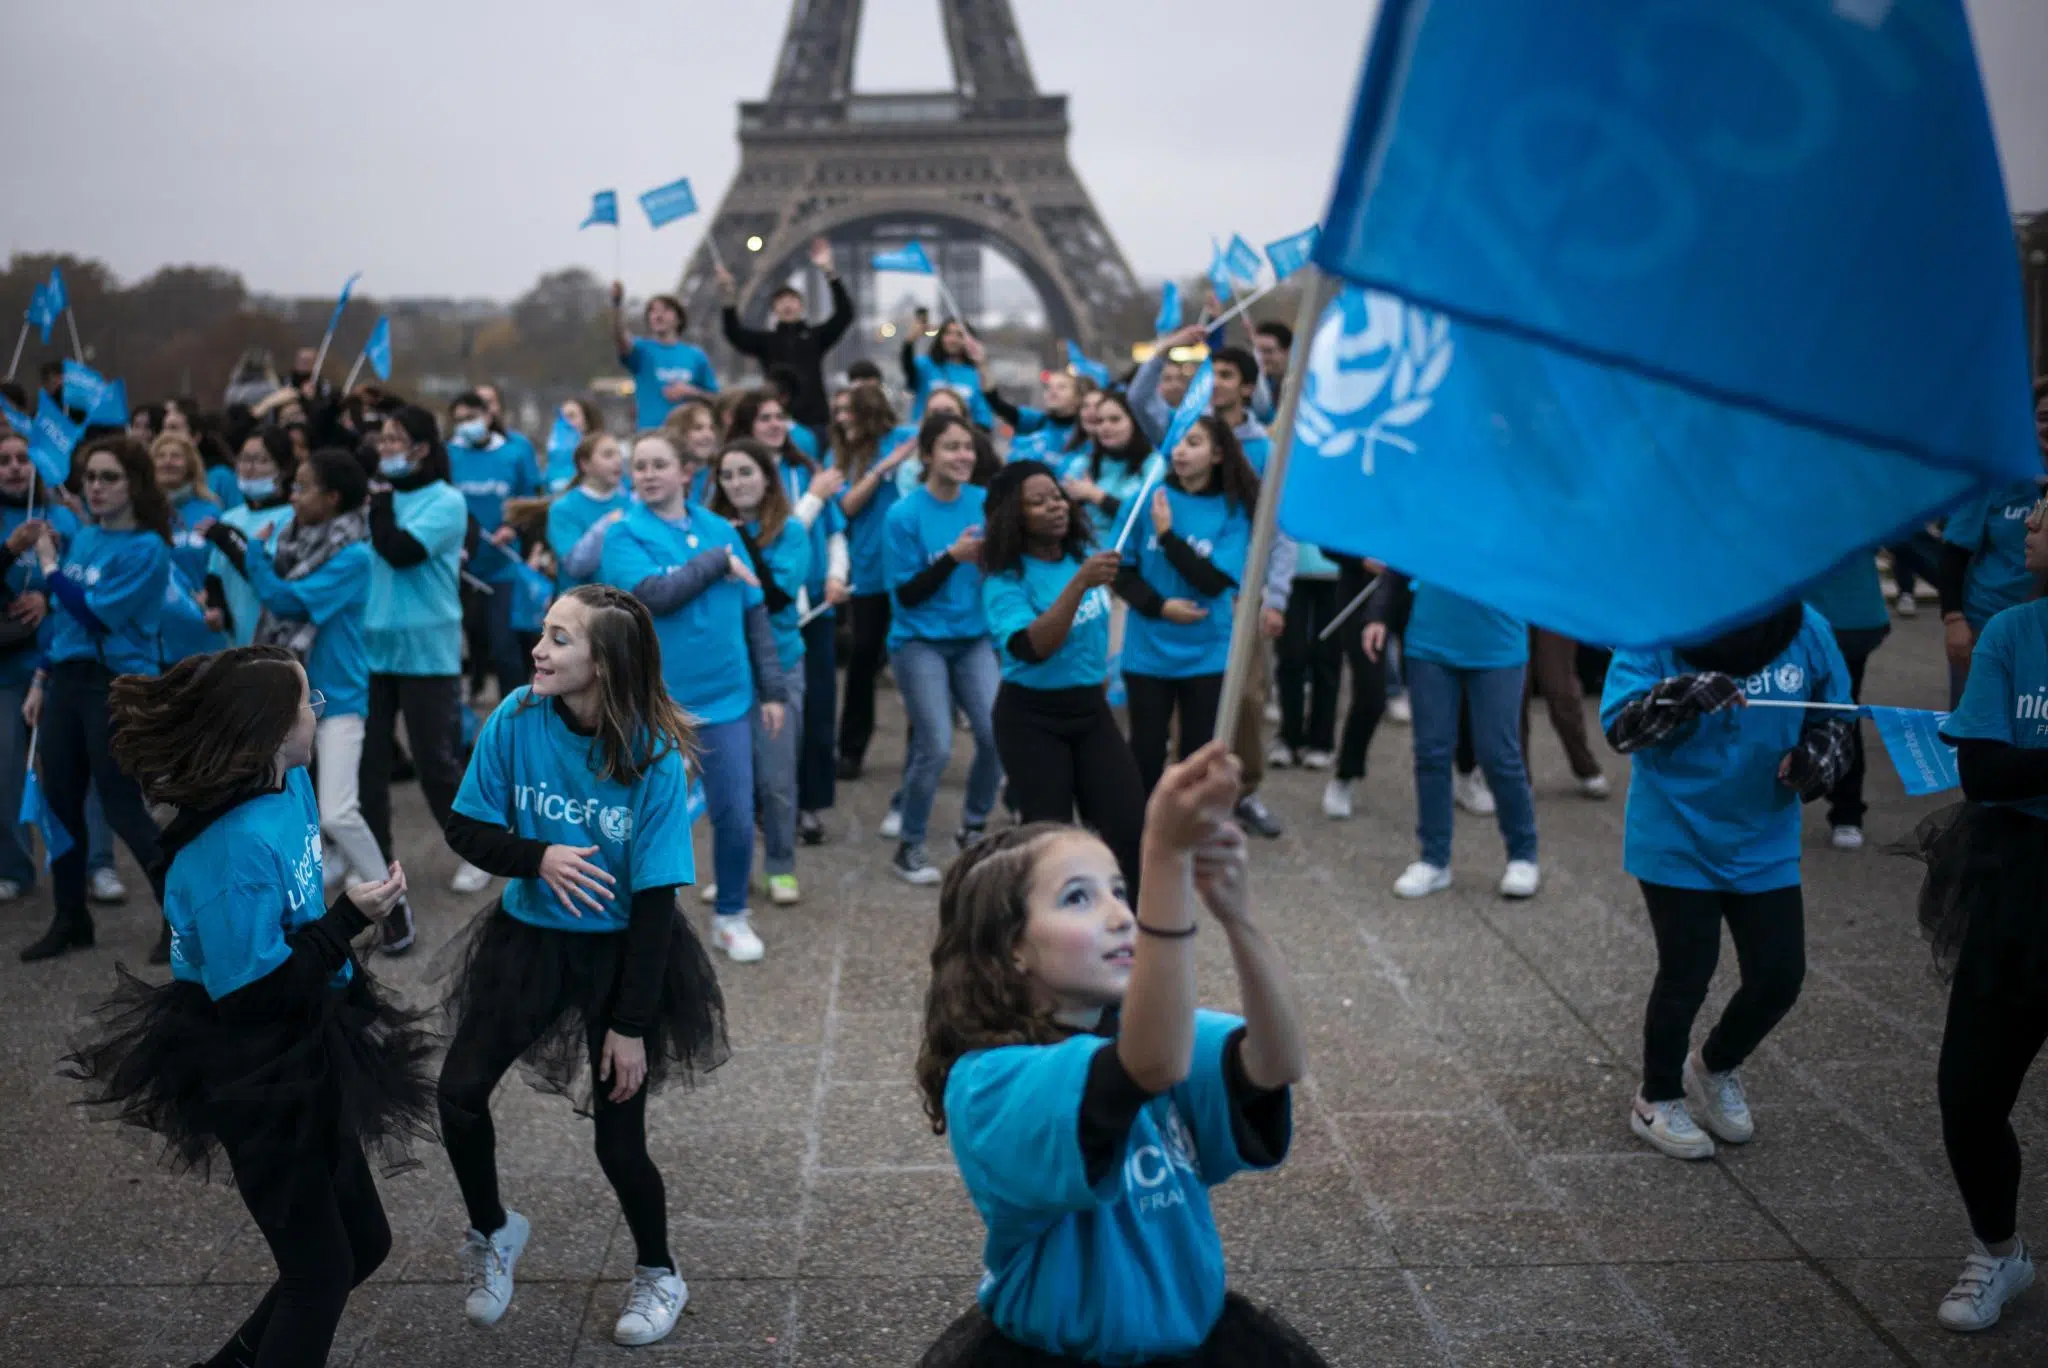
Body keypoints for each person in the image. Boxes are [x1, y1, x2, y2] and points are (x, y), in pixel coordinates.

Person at [63, 645, 433, 1368]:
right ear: (265, 730)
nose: (317, 710)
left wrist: (346, 933)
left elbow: (290, 934)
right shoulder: (230, 854)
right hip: (252, 1067)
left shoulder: (287, 785)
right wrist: (347, 922)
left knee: (364, 1243)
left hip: (305, 1038)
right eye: (305, 702)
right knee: (318, 1274)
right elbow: (253, 1000)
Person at [914, 741, 1322, 1367]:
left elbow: (1277, 1062)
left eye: (1120, 889)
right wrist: (1163, 859)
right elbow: (1151, 1065)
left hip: (1197, 1339)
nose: (1119, 915)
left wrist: (1239, 919)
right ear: (1012, 949)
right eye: (1077, 897)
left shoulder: (1146, 1030)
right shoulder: (990, 1085)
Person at [437, 585, 727, 1347]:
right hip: (528, 940)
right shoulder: (517, 716)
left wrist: (630, 1026)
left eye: (561, 639)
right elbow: (464, 826)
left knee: (618, 1142)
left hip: (621, 954)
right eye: (543, 631)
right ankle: (493, 1231)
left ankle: (659, 1271)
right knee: (459, 1093)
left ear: (605, 662)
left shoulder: (656, 756)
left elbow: (658, 902)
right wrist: (537, 856)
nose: (539, 648)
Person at [1600, 604, 1853, 1160]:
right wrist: (1684, 694)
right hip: (1676, 831)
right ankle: (1657, 1096)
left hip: (1763, 834)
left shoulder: (1807, 626)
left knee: (1780, 976)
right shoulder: (1659, 620)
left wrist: (1817, 760)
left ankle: (1714, 1066)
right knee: (1688, 969)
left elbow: (1836, 719)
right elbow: (1621, 730)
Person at [1914, 494, 2048, 1333]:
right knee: (1968, 1093)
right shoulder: (2010, 634)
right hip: (2020, 878)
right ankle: (1998, 1254)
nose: (2026, 527)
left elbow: (2014, 762)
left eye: (2041, 519)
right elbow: (1986, 773)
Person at [600, 434, 788, 963]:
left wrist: (772, 688)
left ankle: (730, 915)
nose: (648, 474)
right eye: (640, 466)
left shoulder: (720, 529)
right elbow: (654, 595)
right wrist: (715, 563)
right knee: (637, 818)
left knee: (733, 812)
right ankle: (623, 915)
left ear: (686, 472)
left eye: (660, 464)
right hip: (654, 704)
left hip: (727, 699)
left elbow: (757, 617)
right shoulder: (624, 535)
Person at [17, 435, 173, 963]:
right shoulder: (85, 537)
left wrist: (51, 568)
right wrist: (41, 681)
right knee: (59, 804)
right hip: (67, 683)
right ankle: (70, 918)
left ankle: (180, 918)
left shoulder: (149, 548)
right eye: (91, 477)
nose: (97, 487)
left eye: (110, 477)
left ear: (135, 484)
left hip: (118, 687)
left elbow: (95, 614)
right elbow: (64, 626)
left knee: (123, 807)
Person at [211, 448, 389, 901]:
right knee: (296, 808)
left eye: (302, 487)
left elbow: (287, 600)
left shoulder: (354, 556)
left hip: (340, 697)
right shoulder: (293, 540)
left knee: (338, 813)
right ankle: (327, 876)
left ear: (331, 498)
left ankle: (392, 901)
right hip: (292, 700)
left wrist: (250, 552)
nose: (292, 496)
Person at [979, 460, 1145, 895]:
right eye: (1038, 502)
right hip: (1032, 719)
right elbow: (1033, 649)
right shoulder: (1004, 581)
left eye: (1056, 496)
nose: (1055, 506)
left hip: (1090, 712)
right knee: (1053, 846)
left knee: (1129, 829)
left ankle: (1131, 932)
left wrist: (1099, 674)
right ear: (1014, 517)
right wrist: (1079, 584)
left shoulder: (1078, 555)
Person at [360, 407, 474, 949]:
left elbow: (401, 551)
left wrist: (379, 504)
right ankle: (379, 872)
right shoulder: (377, 499)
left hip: (428, 650)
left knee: (436, 764)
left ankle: (477, 849)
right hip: (374, 648)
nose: (385, 446)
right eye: (381, 437)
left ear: (423, 447)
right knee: (369, 769)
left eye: (396, 438)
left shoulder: (446, 501)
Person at [1365, 577, 1541, 900]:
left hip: (1498, 645)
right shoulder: (1431, 522)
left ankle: (1523, 855)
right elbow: (1401, 557)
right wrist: (1377, 615)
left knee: (1498, 754)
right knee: (1431, 753)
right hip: (1430, 641)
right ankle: (1434, 859)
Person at [883, 413, 1002, 885]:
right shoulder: (904, 514)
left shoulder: (984, 503)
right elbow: (907, 594)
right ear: (927, 455)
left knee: (996, 734)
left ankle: (972, 827)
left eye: (968, 448)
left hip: (973, 638)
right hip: (919, 641)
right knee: (935, 743)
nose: (963, 457)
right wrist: (952, 559)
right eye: (951, 448)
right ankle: (910, 843)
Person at [728, 389, 850, 846]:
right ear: (746, 426)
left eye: (781, 415)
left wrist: (837, 575)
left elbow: (834, 533)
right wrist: (815, 499)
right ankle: (765, 805)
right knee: (763, 723)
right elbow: (775, 540)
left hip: (814, 608)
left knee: (815, 714)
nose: (777, 424)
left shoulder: (806, 469)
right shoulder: (738, 477)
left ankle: (809, 806)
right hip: (766, 615)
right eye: (764, 418)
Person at [1115, 417, 1252, 801]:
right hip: (1148, 651)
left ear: (1218, 454)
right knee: (1144, 750)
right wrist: (1159, 606)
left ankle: (1187, 837)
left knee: (1198, 755)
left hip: (1207, 651)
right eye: (1177, 442)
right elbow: (1119, 571)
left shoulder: (1233, 510)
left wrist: (1167, 536)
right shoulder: (1145, 498)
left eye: (1193, 443)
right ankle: (1137, 834)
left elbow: (1212, 580)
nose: (1179, 450)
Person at [708, 438, 812, 906]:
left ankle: (781, 865)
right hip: (726, 670)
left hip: (780, 666)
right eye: (727, 475)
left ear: (767, 477)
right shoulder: (708, 528)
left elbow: (776, 598)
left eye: (745, 472)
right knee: (730, 781)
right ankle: (734, 869)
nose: (736, 483)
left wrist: (738, 542)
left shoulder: (790, 532)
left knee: (775, 776)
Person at [833, 384, 918, 781]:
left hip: (910, 567)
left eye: (847, 409)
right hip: (868, 571)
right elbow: (848, 505)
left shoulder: (905, 439)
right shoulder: (848, 455)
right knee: (863, 657)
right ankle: (851, 749)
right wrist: (883, 468)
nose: (840, 416)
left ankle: (920, 752)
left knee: (915, 659)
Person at [717, 237, 854, 446]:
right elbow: (734, 333)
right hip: (779, 416)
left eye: (792, 300)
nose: (787, 305)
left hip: (815, 417)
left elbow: (844, 315)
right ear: (774, 309)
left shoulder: (815, 337)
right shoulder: (765, 341)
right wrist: (728, 298)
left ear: (801, 306)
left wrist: (830, 272)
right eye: (781, 302)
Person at [449, 390, 539, 703]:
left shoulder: (513, 453)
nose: (465, 425)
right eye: (458, 420)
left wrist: (512, 528)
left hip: (502, 566)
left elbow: (531, 501)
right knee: (469, 640)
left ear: (488, 416)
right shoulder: (449, 454)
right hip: (460, 569)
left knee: (506, 646)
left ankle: (513, 712)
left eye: (470, 418)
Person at [1801, 549, 1892, 849]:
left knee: (1839, 710)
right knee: (1830, 710)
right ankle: (1847, 812)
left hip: (1842, 620)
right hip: (1833, 616)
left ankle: (1848, 810)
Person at [1940, 470, 2047, 706]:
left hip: (2038, 627)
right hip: (1986, 620)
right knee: (1976, 718)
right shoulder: (1995, 477)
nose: (2030, 522)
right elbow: (1953, 552)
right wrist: (1953, 618)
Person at [206, 428, 296, 647]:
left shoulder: (291, 516)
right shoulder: (230, 517)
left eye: (262, 461)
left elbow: (269, 575)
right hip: (235, 644)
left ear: (283, 469)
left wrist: (229, 538)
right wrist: (216, 610)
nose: (249, 469)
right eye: (244, 459)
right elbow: (215, 576)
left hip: (277, 642)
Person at [1321, 554, 1390, 820]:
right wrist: (1360, 559)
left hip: (1418, 590)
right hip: (1362, 592)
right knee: (1371, 694)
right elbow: (1328, 539)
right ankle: (1345, 775)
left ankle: (1466, 770)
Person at [612, 284, 718, 434]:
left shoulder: (696, 355)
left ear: (679, 319)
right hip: (650, 435)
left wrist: (692, 392)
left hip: (685, 437)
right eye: (653, 311)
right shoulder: (641, 349)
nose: (658, 315)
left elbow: (715, 398)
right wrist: (617, 305)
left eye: (666, 310)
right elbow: (620, 338)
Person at [1521, 627, 1611, 800]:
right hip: (1512, 605)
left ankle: (1585, 766)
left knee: (1560, 686)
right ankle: (1518, 777)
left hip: (1552, 604)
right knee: (1515, 690)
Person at [546, 433, 631, 591]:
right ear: (585, 464)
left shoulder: (632, 503)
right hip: (582, 605)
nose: (618, 460)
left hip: (624, 602)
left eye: (619, 454)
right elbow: (575, 566)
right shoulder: (563, 508)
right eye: (608, 455)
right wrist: (606, 526)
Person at [152, 431, 222, 588]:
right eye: (160, 456)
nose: (167, 462)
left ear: (190, 466)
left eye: (176, 456)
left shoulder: (211, 511)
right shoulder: (140, 513)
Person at [902, 317, 995, 429]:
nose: (953, 339)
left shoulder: (974, 374)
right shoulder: (926, 365)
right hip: (923, 434)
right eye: (948, 333)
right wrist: (909, 342)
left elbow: (983, 418)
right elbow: (908, 369)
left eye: (960, 335)